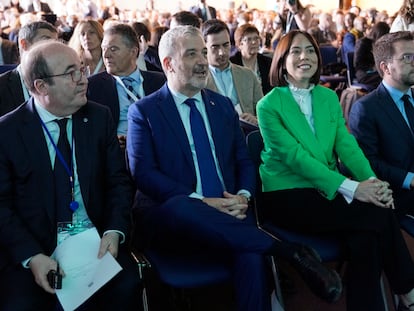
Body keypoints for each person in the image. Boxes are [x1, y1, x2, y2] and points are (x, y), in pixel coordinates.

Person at [127, 25, 342, 311]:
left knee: (250, 253)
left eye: (204, 52)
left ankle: (272, 254)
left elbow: (242, 160)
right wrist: (204, 203)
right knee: (181, 205)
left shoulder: (222, 106)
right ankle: (287, 251)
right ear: (168, 64)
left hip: (230, 214)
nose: (204, 61)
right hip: (174, 223)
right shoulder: (144, 111)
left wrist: (243, 196)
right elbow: (144, 174)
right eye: (192, 54)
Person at [256, 29, 414, 311]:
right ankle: (407, 291)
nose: (305, 56)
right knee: (377, 215)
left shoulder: (328, 98)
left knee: (366, 235)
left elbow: (347, 145)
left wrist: (372, 182)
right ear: (281, 62)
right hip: (287, 194)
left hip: (326, 191)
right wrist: (355, 188)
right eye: (296, 51)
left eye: (310, 50)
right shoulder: (268, 105)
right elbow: (297, 159)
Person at [0, 40, 140, 310]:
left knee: (127, 288)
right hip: (36, 248)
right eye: (70, 74)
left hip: (95, 243)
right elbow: (2, 206)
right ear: (41, 87)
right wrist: (33, 256)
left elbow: (118, 183)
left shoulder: (99, 118)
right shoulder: (8, 133)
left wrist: (114, 231)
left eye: (82, 69)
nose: (83, 80)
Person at [349, 31, 414, 222]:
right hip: (396, 194)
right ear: (385, 67)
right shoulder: (366, 108)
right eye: (407, 57)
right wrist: (410, 179)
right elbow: (369, 163)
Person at [87, 23, 165, 149]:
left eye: (113, 49)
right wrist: (110, 140)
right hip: (116, 156)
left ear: (133, 52)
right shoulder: (92, 87)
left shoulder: (160, 82)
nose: (106, 55)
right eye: (104, 48)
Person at [202, 19, 263, 128]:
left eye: (226, 45)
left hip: (245, 134)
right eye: (215, 47)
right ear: (204, 47)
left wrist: (256, 120)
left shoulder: (248, 75)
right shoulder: (199, 80)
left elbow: (264, 112)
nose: (222, 52)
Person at [0, 21, 57, 116]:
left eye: (55, 43)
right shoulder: (2, 86)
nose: (54, 48)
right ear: (24, 44)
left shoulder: (60, 80)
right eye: (46, 41)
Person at [230, 23, 272, 95]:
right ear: (239, 44)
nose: (254, 42)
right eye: (249, 39)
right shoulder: (232, 64)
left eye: (256, 38)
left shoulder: (267, 62)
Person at [353, 21, 390, 90]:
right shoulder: (363, 43)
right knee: (386, 78)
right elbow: (357, 63)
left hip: (376, 72)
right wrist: (372, 67)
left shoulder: (380, 45)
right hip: (364, 73)